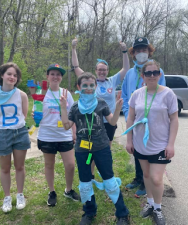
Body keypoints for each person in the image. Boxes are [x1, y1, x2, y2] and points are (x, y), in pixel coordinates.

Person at [60, 73, 130, 225]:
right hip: (82, 150)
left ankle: (122, 213)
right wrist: (63, 109)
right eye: (85, 85)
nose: (89, 88)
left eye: (92, 85)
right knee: (85, 182)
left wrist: (118, 108)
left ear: (96, 87)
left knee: (110, 180)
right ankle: (89, 212)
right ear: (79, 87)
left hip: (101, 148)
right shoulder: (75, 107)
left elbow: (112, 122)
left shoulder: (101, 103)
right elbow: (66, 126)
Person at [125, 60, 178, 225]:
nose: (152, 75)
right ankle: (149, 203)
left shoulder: (168, 94)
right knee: (146, 175)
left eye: (156, 72)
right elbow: (131, 118)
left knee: (156, 178)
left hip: (160, 145)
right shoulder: (137, 94)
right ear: (143, 76)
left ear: (160, 74)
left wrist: (171, 144)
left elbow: (174, 120)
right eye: (148, 73)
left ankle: (157, 208)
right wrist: (129, 140)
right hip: (141, 143)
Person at [72, 37, 130, 179]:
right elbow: (76, 67)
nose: (102, 72)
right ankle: (90, 174)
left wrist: (124, 51)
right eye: (100, 70)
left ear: (107, 70)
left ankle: (105, 174)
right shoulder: (90, 80)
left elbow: (126, 68)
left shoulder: (113, 80)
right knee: (91, 149)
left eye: (104, 70)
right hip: (91, 122)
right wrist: (73, 49)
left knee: (105, 149)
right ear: (96, 70)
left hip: (109, 121)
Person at [122, 37, 166, 198]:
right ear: (133, 53)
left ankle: (146, 182)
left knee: (149, 150)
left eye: (144, 50)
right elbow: (126, 95)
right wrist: (129, 116)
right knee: (136, 149)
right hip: (133, 120)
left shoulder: (156, 72)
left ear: (149, 51)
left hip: (151, 122)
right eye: (138, 50)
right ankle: (138, 177)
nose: (141, 53)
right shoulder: (129, 74)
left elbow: (163, 96)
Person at [0, 62, 31, 213]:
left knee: (20, 166)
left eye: (15, 75)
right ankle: (7, 198)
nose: (12, 77)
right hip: (1, 134)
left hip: (20, 133)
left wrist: (14, 126)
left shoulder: (22, 95)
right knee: (5, 168)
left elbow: (23, 115)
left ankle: (20, 195)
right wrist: (3, 129)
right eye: (9, 74)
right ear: (2, 75)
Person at [34, 64, 80, 206]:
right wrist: (35, 116)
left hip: (64, 135)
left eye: (58, 74)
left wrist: (74, 133)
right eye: (52, 74)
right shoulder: (41, 93)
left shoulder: (66, 93)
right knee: (49, 165)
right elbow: (37, 116)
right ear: (47, 77)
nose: (55, 76)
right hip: (47, 136)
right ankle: (52, 192)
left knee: (71, 165)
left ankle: (68, 190)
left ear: (61, 77)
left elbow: (73, 114)